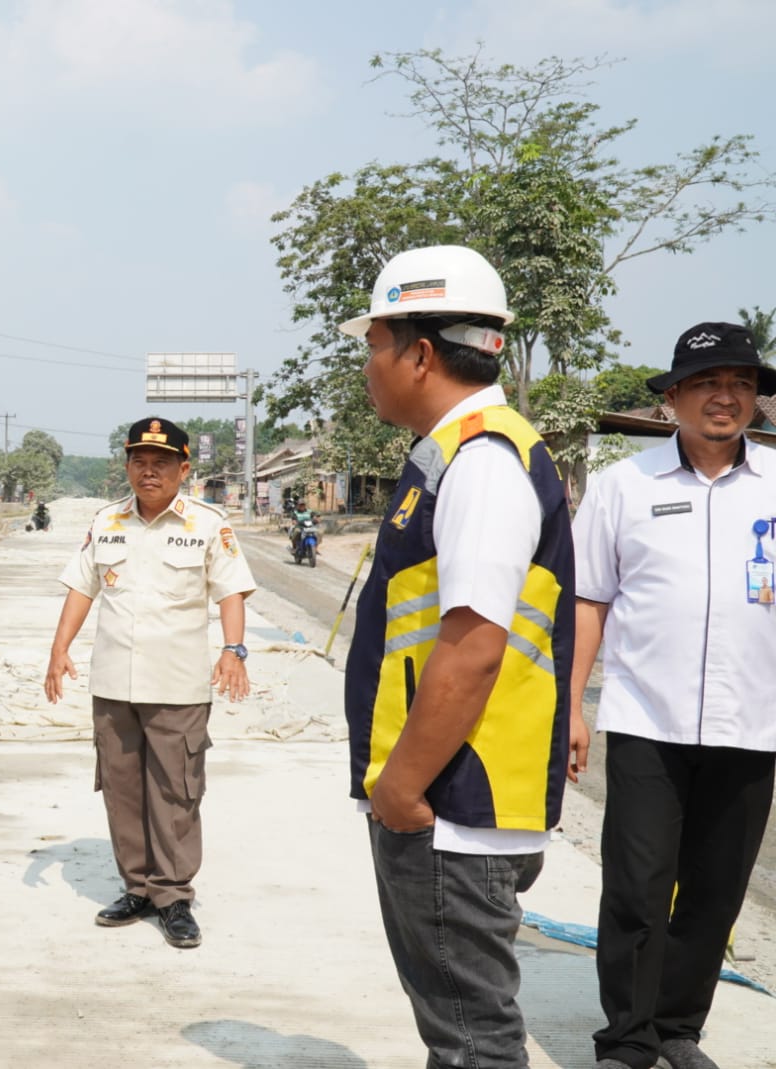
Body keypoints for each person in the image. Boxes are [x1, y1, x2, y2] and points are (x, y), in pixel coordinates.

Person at [339, 245, 575, 1068]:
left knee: (473, 1040)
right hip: (451, 802)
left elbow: (474, 649)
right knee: (459, 1033)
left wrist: (400, 786)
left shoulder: (480, 463)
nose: (368, 366)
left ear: (421, 353)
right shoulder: (457, 454)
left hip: (452, 806)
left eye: (373, 345)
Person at [568, 322, 776, 1069]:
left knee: (717, 888)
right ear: (674, 397)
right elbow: (589, 599)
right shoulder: (627, 485)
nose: (727, 397)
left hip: (753, 722)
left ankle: (679, 1027)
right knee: (637, 885)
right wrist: (572, 707)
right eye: (710, 384)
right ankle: (626, 1037)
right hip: (645, 717)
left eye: (743, 384)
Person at [44, 416, 255, 949]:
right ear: (127, 466)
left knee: (175, 791)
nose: (149, 471)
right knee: (121, 789)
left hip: (178, 685)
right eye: (139, 461)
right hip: (114, 683)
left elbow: (231, 590)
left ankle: (174, 895)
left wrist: (234, 650)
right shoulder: (107, 520)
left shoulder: (208, 524)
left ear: (184, 468)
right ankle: (136, 887)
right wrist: (59, 649)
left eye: (161, 463)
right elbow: (81, 587)